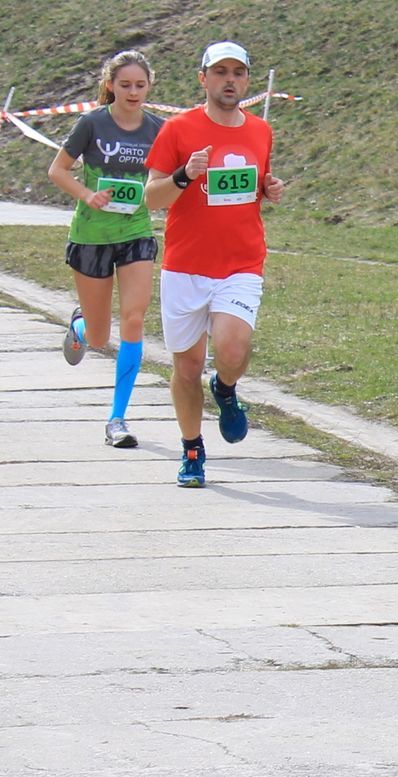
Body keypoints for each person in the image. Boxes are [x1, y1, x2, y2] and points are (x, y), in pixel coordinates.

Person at [144, 41, 284, 487]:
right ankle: (192, 449)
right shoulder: (178, 129)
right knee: (186, 368)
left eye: (238, 73)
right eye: (220, 72)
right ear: (203, 79)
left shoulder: (260, 130)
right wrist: (184, 175)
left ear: (247, 80)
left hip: (241, 263)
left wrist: (268, 189)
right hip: (185, 266)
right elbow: (152, 197)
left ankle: (225, 388)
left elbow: (252, 186)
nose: (230, 81)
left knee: (233, 348)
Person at [48, 50, 164, 448]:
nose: (133, 92)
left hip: (136, 232)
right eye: (125, 84)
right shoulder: (92, 123)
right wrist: (88, 195)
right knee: (99, 338)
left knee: (134, 318)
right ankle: (81, 325)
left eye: (140, 85)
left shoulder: (159, 129)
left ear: (149, 87)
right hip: (91, 236)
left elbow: (168, 178)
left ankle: (117, 419)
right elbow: (57, 170)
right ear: (110, 85)